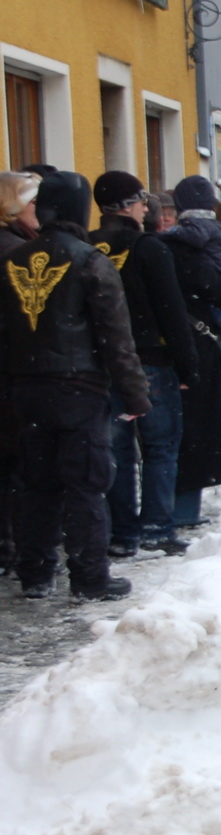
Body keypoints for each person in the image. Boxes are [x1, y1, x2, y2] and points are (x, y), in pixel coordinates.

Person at [1, 171, 150, 600]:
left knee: (37, 483)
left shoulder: (12, 260)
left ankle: (36, 572)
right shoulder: (89, 260)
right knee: (86, 484)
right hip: (79, 387)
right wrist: (136, 393)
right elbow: (115, 338)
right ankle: (88, 575)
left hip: (28, 388)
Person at [91, 173, 200, 558]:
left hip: (102, 363)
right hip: (151, 359)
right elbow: (171, 311)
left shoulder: (87, 246)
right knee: (160, 446)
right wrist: (188, 367)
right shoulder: (148, 248)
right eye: (141, 201)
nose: (145, 209)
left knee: (117, 451)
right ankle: (156, 525)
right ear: (128, 205)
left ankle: (122, 532)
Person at [157, 176, 221, 530]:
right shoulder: (195, 248)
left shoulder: (160, 246)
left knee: (167, 436)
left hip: (164, 344)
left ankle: (166, 512)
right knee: (192, 432)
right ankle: (180, 511)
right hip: (192, 345)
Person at [0, 171, 42, 578]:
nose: (37, 211)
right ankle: (12, 545)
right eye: (31, 203)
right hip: (14, 372)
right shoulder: (15, 253)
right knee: (16, 465)